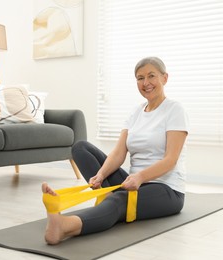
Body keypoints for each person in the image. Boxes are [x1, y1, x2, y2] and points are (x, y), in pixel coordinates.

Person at [42, 56, 189, 245]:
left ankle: (65, 226)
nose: (146, 83)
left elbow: (171, 160)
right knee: (81, 148)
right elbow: (119, 153)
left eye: (151, 76)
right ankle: (108, 203)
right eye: (140, 78)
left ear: (164, 78)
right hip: (134, 182)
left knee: (120, 199)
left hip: (167, 190)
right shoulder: (136, 112)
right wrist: (101, 175)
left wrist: (140, 177)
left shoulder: (174, 109)